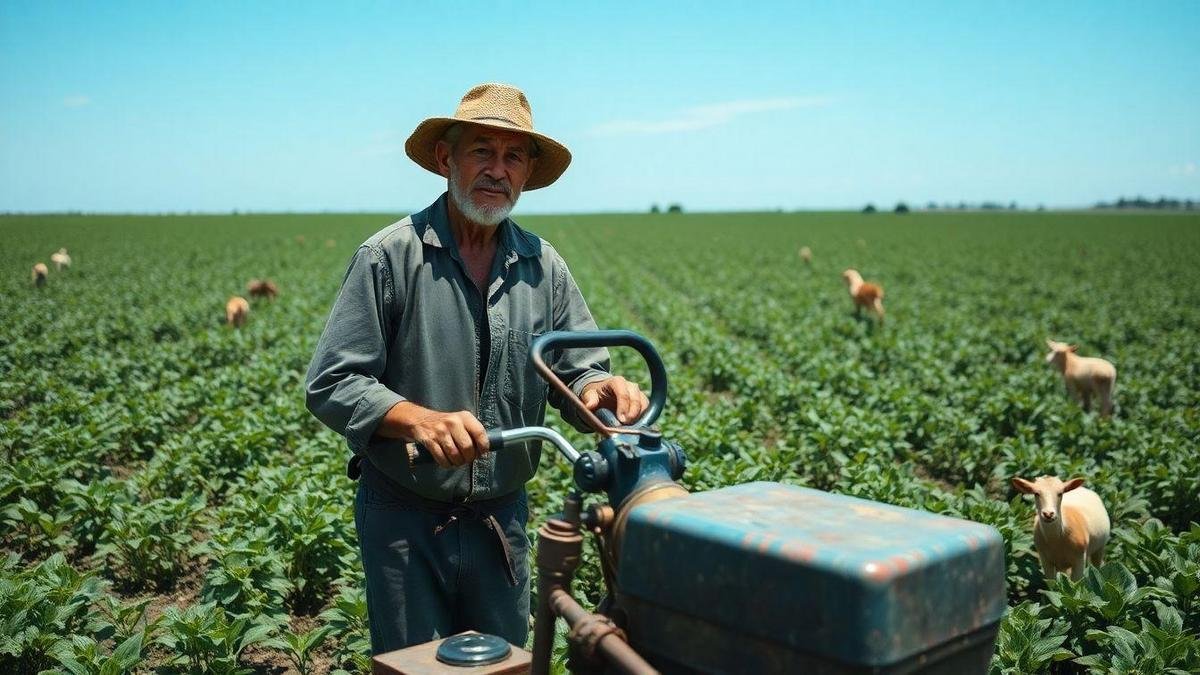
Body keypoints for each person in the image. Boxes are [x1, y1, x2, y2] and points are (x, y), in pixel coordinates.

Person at [304, 82, 649, 655]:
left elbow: (577, 369)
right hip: (405, 519)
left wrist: (599, 388)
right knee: (414, 665)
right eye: (482, 152)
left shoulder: (544, 265)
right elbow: (332, 381)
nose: (497, 170)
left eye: (513, 156)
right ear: (446, 159)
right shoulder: (390, 257)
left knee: (507, 663)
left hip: (502, 522)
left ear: (527, 172)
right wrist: (415, 419)